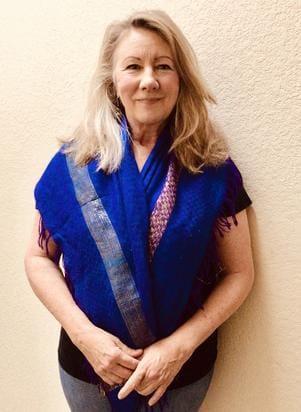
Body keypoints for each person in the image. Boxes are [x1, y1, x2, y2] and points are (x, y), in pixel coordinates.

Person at [24, 9, 254, 412]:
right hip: (88, 371)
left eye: (163, 66)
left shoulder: (212, 169)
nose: (149, 80)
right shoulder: (74, 164)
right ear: (113, 79)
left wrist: (177, 348)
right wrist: (85, 337)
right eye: (134, 66)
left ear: (180, 78)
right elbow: (38, 258)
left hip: (180, 373)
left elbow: (240, 273)